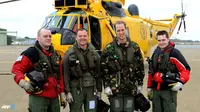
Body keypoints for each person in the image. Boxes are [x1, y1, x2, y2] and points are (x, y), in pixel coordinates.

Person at [11, 28, 67, 112]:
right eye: (45, 36)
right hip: (39, 97)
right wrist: (24, 84)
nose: (48, 38)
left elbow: (60, 75)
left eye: (49, 36)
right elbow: (16, 70)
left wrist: (62, 93)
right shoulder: (31, 53)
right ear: (38, 38)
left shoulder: (55, 54)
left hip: (54, 97)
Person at [101, 20, 145, 112]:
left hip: (131, 88)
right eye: (118, 30)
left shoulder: (135, 47)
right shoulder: (109, 49)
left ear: (126, 30)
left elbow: (140, 67)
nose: (121, 33)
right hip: (115, 89)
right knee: (116, 110)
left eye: (122, 30)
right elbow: (104, 69)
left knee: (129, 110)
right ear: (115, 31)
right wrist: (106, 86)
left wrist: (140, 84)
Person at [147, 30, 191, 112]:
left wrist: (181, 82)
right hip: (156, 90)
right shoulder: (155, 54)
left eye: (163, 40)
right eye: (159, 40)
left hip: (169, 91)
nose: (161, 42)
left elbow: (186, 69)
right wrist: (149, 87)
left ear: (168, 39)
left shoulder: (174, 53)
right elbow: (151, 72)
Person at [63, 28, 102, 112]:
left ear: (88, 37)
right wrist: (67, 92)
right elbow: (65, 74)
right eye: (80, 36)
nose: (82, 38)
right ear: (76, 38)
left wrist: (99, 90)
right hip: (76, 88)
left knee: (91, 110)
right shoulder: (69, 53)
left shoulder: (94, 53)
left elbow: (98, 73)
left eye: (84, 36)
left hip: (91, 88)